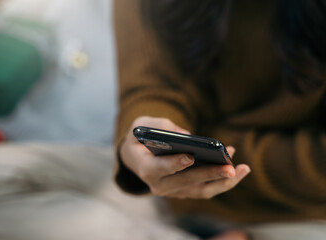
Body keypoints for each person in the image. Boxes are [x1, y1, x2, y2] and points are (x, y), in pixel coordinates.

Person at [114, 0, 326, 239]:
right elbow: (150, 90)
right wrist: (138, 148)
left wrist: (208, 147)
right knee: (62, 176)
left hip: (302, 211)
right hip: (169, 199)